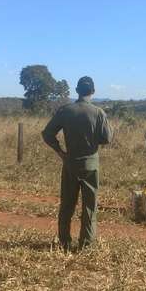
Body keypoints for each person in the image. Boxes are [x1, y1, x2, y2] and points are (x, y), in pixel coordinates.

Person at [42, 76, 112, 251]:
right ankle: (86, 244)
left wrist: (61, 152)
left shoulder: (66, 110)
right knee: (89, 206)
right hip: (91, 165)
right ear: (93, 91)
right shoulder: (98, 113)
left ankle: (64, 242)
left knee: (67, 204)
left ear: (77, 91)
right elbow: (107, 138)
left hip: (70, 163)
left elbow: (47, 134)